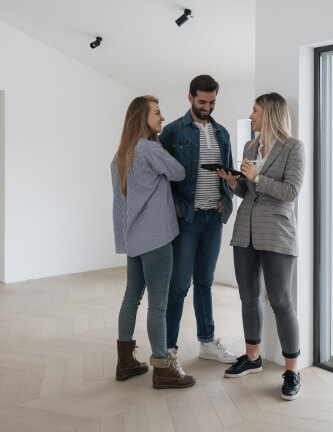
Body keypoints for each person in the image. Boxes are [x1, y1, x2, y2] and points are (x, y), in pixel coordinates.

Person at [216, 92, 304, 400]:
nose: (251, 116)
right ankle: (252, 357)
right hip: (245, 232)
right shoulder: (250, 146)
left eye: (255, 111)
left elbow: (291, 191)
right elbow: (246, 190)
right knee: (248, 297)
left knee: (281, 301)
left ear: (270, 114)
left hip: (278, 233)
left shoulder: (294, 147)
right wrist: (232, 181)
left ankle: (292, 370)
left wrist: (257, 176)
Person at [111, 95, 195, 389]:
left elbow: (121, 203)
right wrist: (162, 150)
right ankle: (162, 366)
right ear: (142, 118)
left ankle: (125, 361)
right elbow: (179, 172)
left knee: (131, 298)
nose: (162, 117)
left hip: (134, 238)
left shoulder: (121, 154)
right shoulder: (148, 149)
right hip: (157, 238)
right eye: (157, 113)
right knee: (158, 305)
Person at [159, 75, 238, 364]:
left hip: (213, 219)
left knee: (205, 282)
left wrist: (227, 191)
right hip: (187, 220)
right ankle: (168, 350)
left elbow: (227, 174)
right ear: (190, 97)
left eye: (212, 101)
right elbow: (160, 176)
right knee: (179, 285)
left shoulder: (222, 133)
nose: (207, 107)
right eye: (202, 101)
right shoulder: (172, 132)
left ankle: (207, 343)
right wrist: (175, 207)